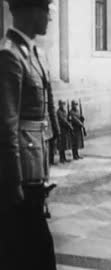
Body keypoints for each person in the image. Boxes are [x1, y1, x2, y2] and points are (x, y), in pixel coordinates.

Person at [0, 0, 59, 269]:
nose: (49, 17)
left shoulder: (32, 51)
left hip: (35, 168)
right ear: (31, 11)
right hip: (22, 174)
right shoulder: (9, 55)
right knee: (29, 250)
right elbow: (7, 125)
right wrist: (14, 182)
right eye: (46, 10)